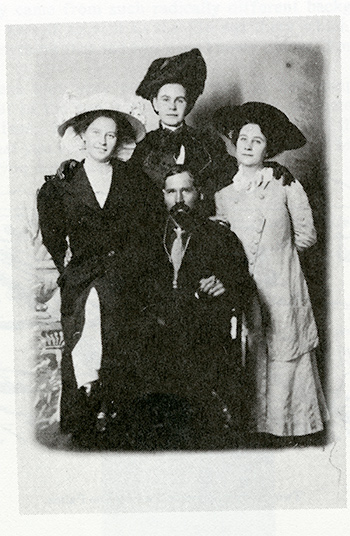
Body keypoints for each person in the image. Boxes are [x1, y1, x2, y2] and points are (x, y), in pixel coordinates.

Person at [213, 102, 329, 444]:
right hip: (244, 288)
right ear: (234, 143)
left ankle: (291, 428)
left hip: (282, 284)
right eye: (243, 138)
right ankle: (255, 429)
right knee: (252, 350)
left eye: (258, 140)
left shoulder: (285, 184)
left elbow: (307, 236)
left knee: (286, 351)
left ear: (269, 148)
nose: (248, 145)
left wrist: (278, 257)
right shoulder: (223, 193)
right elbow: (221, 245)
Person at [37, 92, 146, 444]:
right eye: (96, 132)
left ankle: (114, 419)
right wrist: (67, 268)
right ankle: (84, 419)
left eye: (111, 134)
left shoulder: (133, 181)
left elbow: (145, 232)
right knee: (83, 341)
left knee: (119, 344)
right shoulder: (63, 184)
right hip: (82, 278)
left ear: (119, 141)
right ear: (82, 136)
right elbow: (53, 236)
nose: (103, 140)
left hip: (122, 278)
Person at [121, 165, 252, 449]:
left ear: (199, 194)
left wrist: (224, 283)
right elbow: (131, 288)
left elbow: (243, 284)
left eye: (186, 190)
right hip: (157, 339)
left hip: (204, 337)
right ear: (163, 196)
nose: (179, 199)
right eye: (171, 192)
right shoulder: (146, 238)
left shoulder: (219, 236)